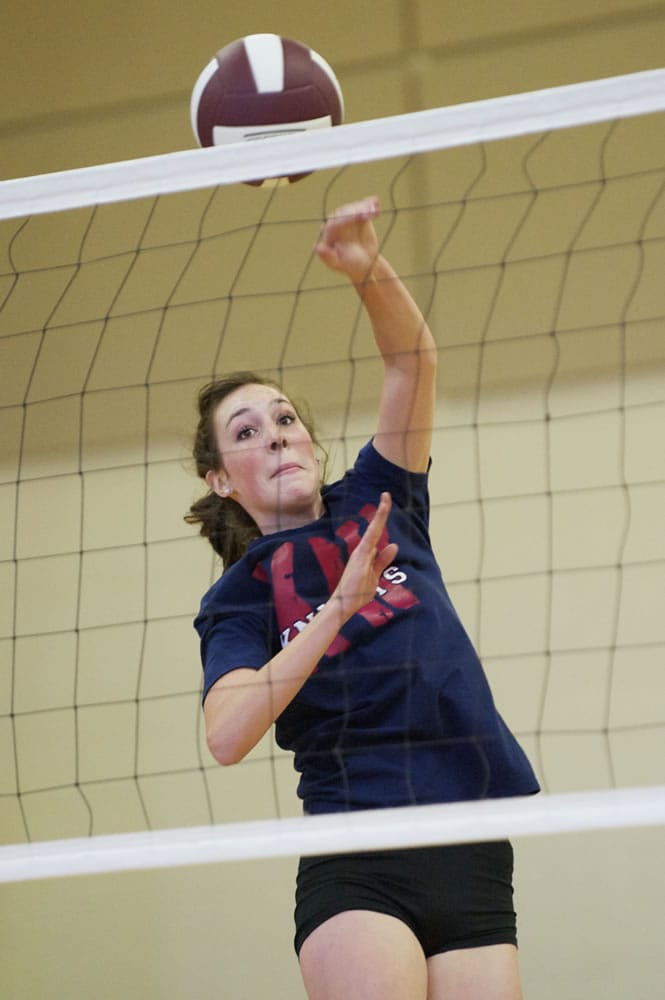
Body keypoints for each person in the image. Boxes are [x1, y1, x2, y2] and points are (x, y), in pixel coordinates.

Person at [187, 196, 540, 1000]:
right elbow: (227, 733)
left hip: (469, 838)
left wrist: (365, 267)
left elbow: (412, 362)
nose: (274, 434)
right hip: (359, 855)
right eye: (245, 432)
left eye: (283, 418)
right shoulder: (239, 596)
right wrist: (335, 610)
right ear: (220, 479)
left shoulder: (378, 499)